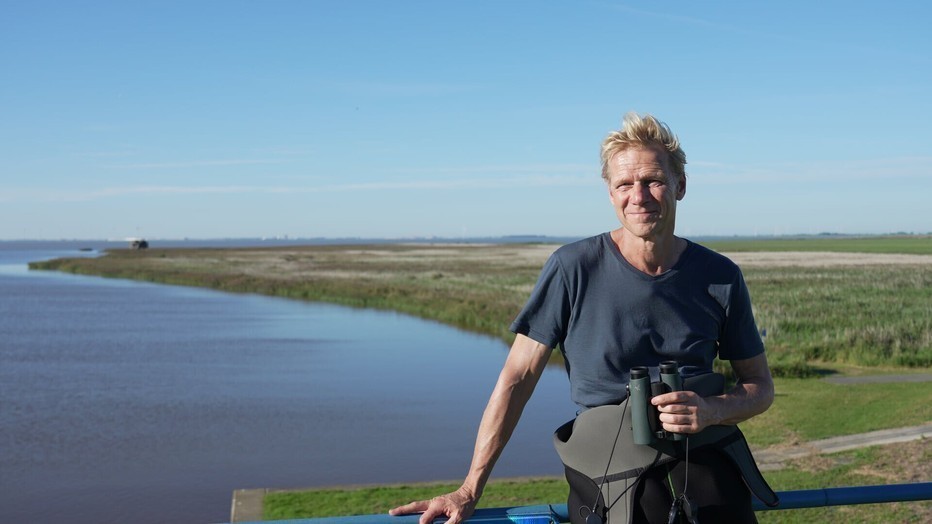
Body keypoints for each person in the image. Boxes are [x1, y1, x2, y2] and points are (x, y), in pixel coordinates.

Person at [390, 112, 774, 523]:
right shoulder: (573, 268)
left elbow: (760, 386)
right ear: (610, 194)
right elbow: (517, 379)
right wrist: (469, 489)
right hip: (609, 485)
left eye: (653, 181)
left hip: (709, 483)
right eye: (624, 184)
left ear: (680, 186)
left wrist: (711, 410)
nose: (638, 196)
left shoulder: (720, 275)